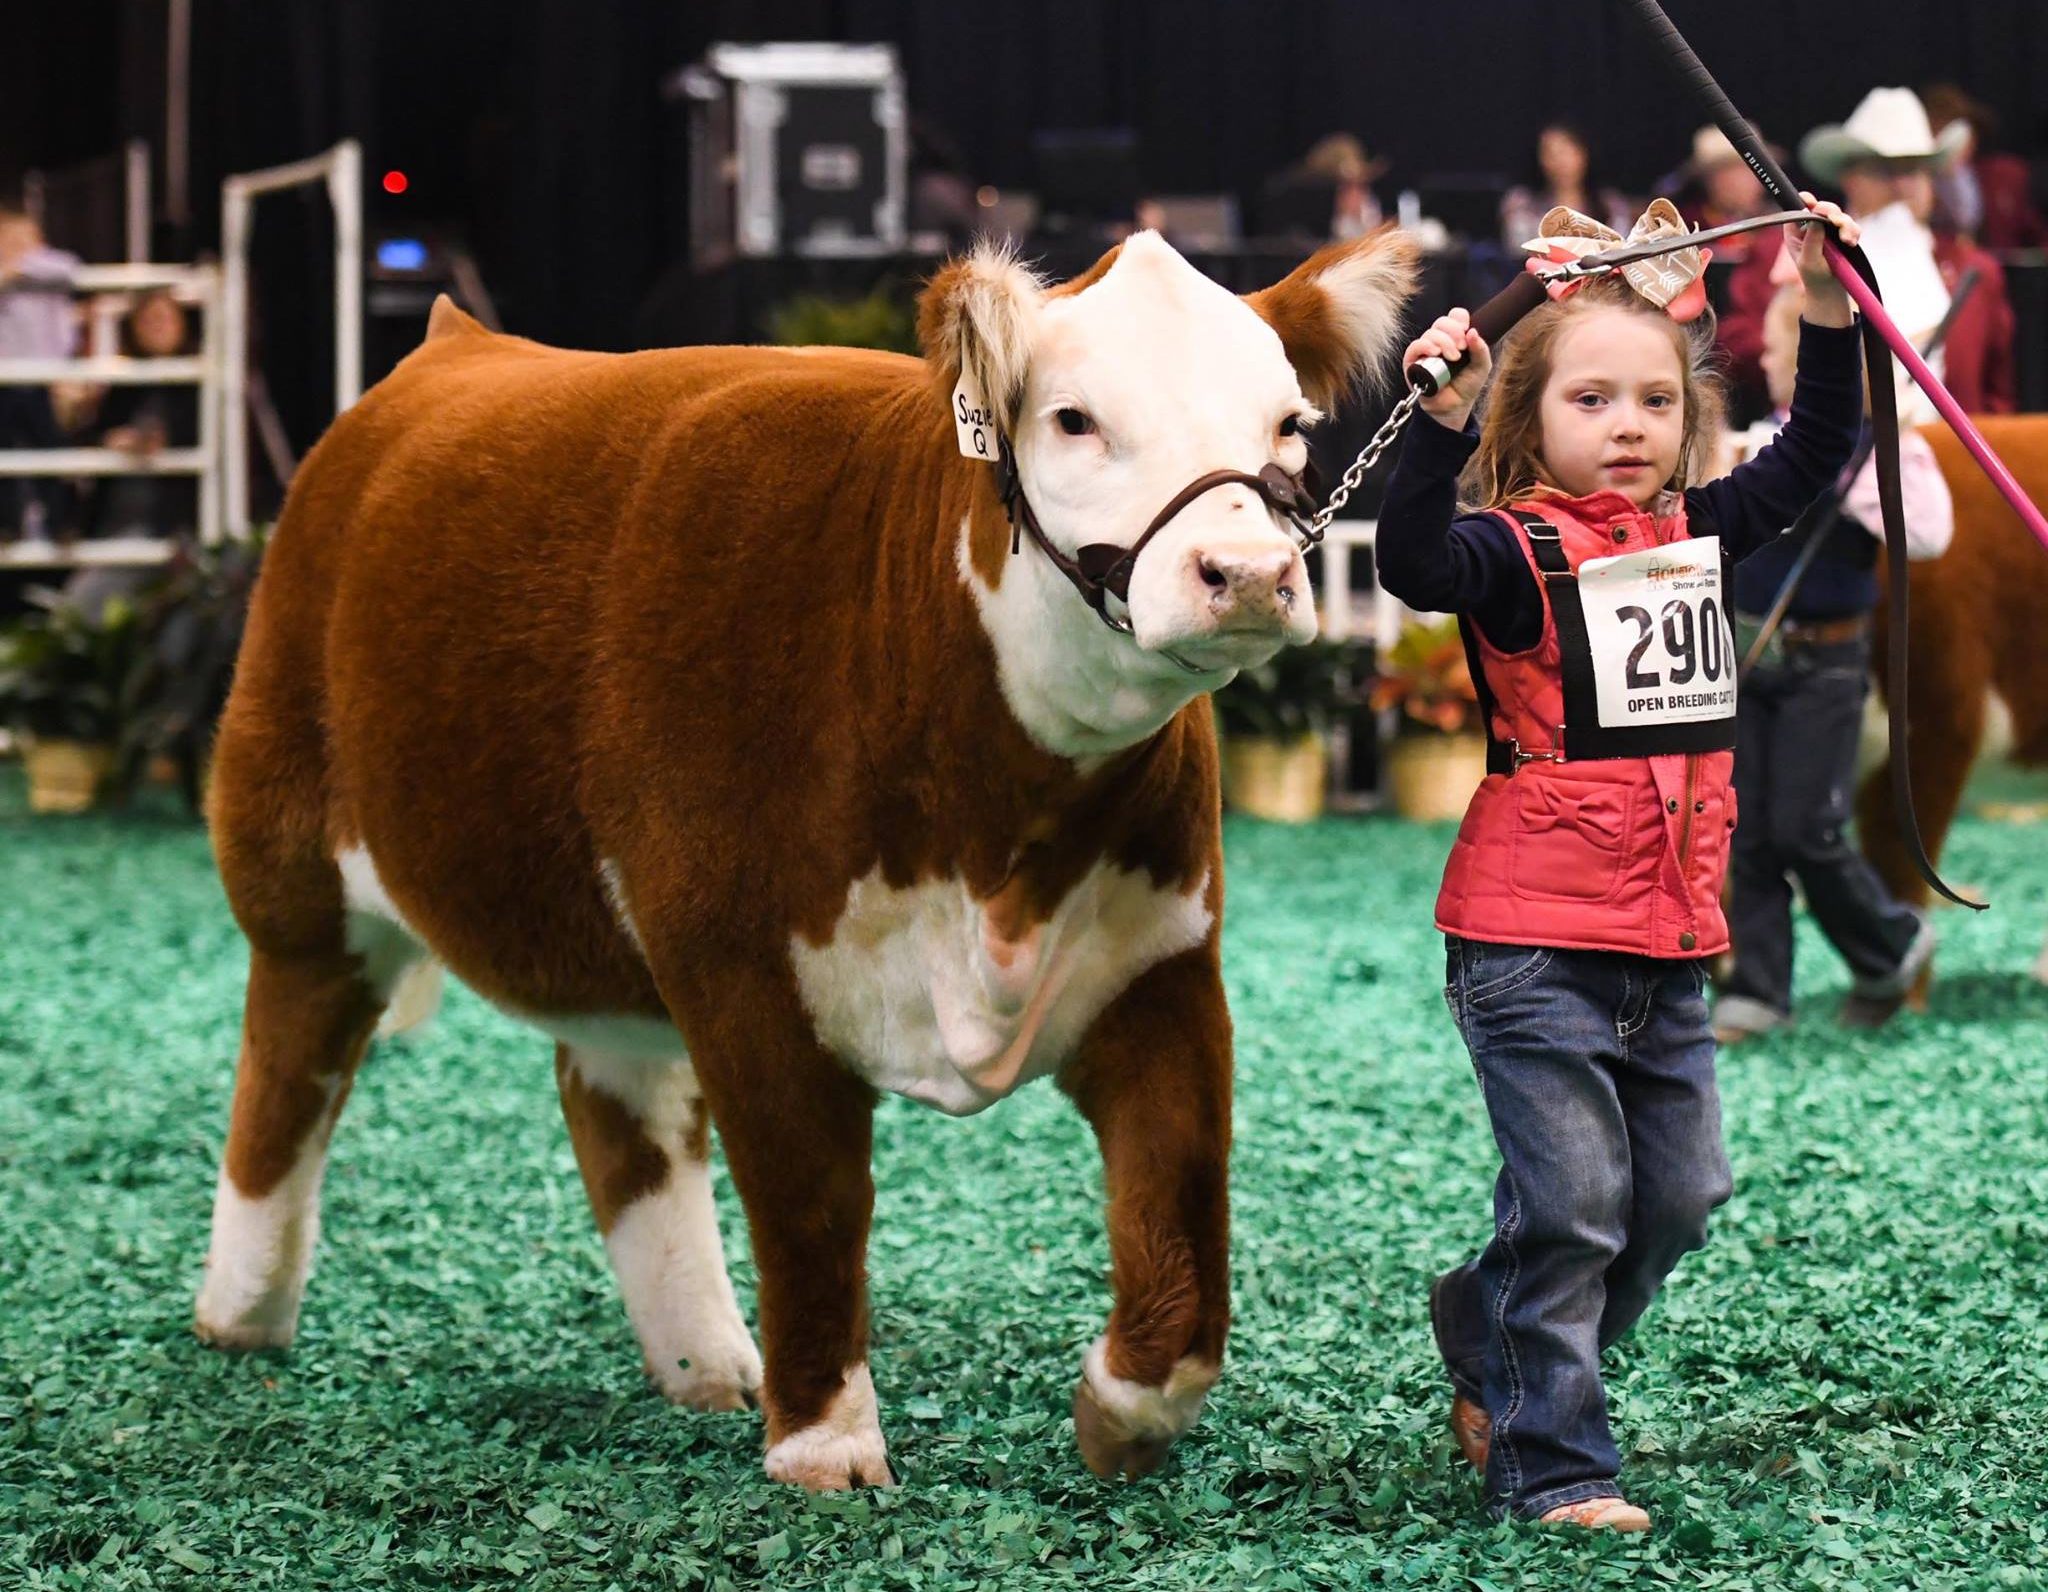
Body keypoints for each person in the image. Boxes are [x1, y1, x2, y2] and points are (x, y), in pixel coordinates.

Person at [1375, 194, 1865, 1531]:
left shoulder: (1693, 535)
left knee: (1682, 1198)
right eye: (1593, 400)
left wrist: (1821, 295)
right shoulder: (1512, 553)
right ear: (1531, 421)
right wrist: (1437, 422)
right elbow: (1414, 560)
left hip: (1671, 942)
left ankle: (1490, 1323)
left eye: (1655, 399)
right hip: (1531, 945)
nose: (1631, 424)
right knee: (1579, 1202)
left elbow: (1823, 442)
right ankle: (1556, 1461)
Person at [1712, 285, 1948, 1045]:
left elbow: (1932, 534)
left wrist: (1870, 477)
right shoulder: (1758, 445)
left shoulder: (1876, 443)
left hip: (1827, 661)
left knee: (1809, 829)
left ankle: (1889, 944)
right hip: (1747, 655)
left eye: (1783, 350)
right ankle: (1758, 988)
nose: (1772, 362)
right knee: (1748, 832)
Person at [87, 290, 201, 537]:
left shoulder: (197, 383)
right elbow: (93, 434)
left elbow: (200, 437)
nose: (156, 327)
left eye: (164, 319)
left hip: (172, 524)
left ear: (182, 324)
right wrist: (111, 440)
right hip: (114, 521)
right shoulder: (124, 384)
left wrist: (164, 440)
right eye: (148, 320)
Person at [0, 203, 81, 540]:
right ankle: (8, 525)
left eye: (23, 238)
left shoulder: (48, 267)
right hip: (5, 381)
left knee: (50, 451)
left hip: (42, 380)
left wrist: (20, 267)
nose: (14, 246)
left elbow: (70, 269)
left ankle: (62, 522)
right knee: (5, 455)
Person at [1920, 82, 2048, 251]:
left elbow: (2034, 232)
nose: (1957, 142)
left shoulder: (2005, 176)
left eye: (1962, 131)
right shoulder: (1913, 183)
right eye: (1943, 131)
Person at [1499, 123, 1633, 252]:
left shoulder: (1610, 205)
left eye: (1568, 152)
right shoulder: (1521, 203)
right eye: (1551, 154)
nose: (1561, 162)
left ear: (1584, 154)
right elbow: (1518, 250)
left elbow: (1621, 250)